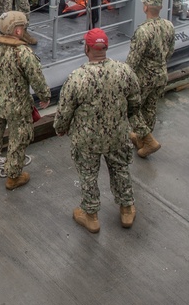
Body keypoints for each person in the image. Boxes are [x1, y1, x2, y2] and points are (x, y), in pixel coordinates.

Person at [53, 28, 143, 233]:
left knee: (88, 176)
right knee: (120, 169)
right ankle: (127, 209)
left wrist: (61, 129)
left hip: (87, 140)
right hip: (118, 135)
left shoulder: (77, 78)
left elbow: (64, 112)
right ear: (107, 47)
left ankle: (91, 216)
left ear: (86, 48)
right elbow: (135, 102)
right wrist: (122, 120)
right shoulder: (124, 71)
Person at [0, 11, 51, 190]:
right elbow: (37, 79)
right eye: (22, 27)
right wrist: (45, 97)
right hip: (18, 107)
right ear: (17, 31)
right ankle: (13, 177)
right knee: (18, 140)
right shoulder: (23, 53)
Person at [126, 0, 175, 158]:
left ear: (145, 7)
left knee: (131, 108)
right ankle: (142, 141)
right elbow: (170, 52)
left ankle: (149, 140)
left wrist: (125, 78)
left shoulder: (143, 31)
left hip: (144, 77)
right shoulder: (169, 25)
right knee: (150, 107)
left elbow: (133, 60)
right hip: (161, 74)